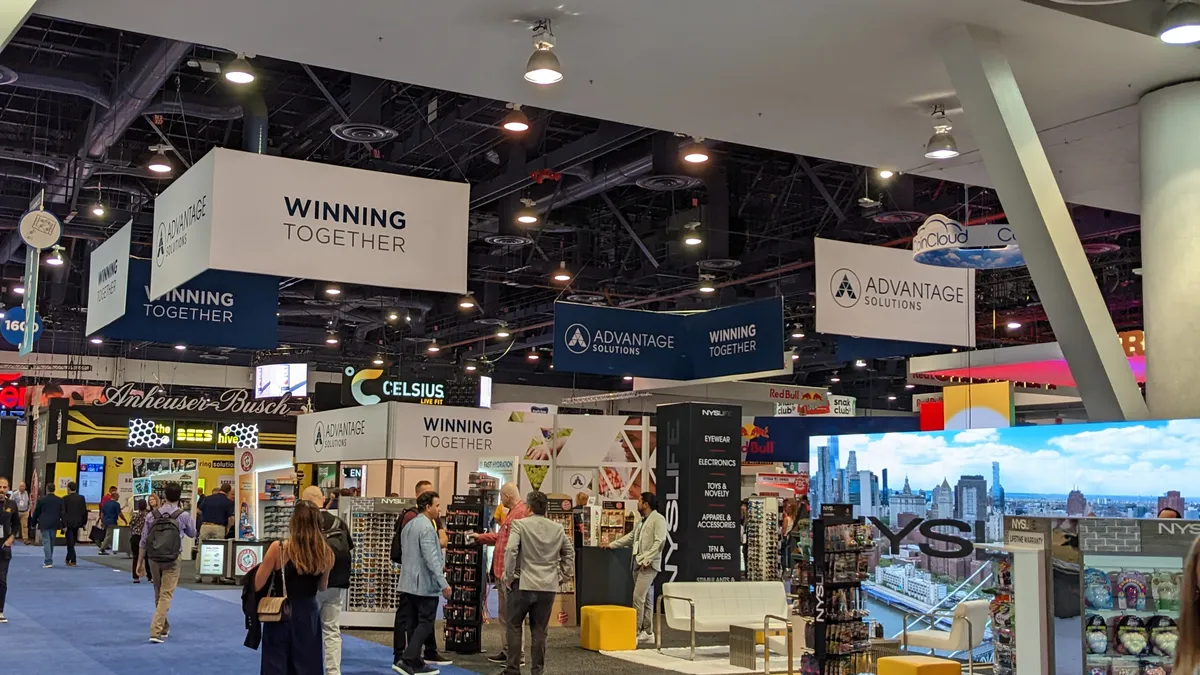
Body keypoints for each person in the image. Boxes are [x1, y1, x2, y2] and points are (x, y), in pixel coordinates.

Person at [255, 501, 334, 675]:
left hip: (281, 611)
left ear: (294, 521)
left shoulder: (279, 548)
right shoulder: (326, 552)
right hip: (308, 613)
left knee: (276, 663)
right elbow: (322, 587)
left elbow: (258, 583)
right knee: (307, 663)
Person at [502, 491, 575, 675]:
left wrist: (509, 575)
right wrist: (563, 576)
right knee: (540, 631)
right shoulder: (557, 528)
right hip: (548, 586)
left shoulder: (520, 525)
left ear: (529, 507)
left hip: (523, 584)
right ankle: (537, 671)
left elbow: (511, 550)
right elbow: (569, 553)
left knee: (514, 626)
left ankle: (513, 670)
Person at [392, 480, 451, 669]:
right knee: (425, 623)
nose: (439, 509)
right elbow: (431, 558)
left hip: (408, 583)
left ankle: (415, 661)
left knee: (413, 623)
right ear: (428, 507)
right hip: (424, 585)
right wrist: (444, 584)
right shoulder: (426, 527)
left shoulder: (409, 525)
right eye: (437, 505)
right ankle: (409, 659)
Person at [472, 483, 529, 665]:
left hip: (510, 575)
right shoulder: (514, 513)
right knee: (505, 616)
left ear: (506, 496)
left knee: (514, 617)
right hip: (503, 573)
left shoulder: (520, 514)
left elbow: (516, 547)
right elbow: (502, 539)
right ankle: (508, 651)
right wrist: (481, 538)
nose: (500, 500)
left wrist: (510, 572)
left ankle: (517, 655)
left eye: (501, 497)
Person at [302, 485, 353, 675]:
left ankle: (308, 669)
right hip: (336, 582)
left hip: (311, 583)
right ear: (322, 499)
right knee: (331, 630)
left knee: (307, 630)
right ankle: (333, 672)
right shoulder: (338, 522)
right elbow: (349, 548)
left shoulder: (305, 523)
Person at [139, 482, 197, 643]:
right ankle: (155, 630)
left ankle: (163, 627)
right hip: (172, 557)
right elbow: (193, 534)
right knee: (166, 594)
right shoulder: (183, 515)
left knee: (158, 592)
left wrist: (139, 562)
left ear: (163, 496)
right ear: (179, 498)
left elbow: (143, 541)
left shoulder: (152, 515)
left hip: (154, 557)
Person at [607, 491, 667, 642]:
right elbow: (631, 537)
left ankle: (635, 631)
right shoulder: (641, 521)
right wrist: (612, 544)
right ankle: (648, 632)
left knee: (637, 597)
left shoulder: (658, 519)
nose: (637, 503)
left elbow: (659, 542)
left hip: (648, 565)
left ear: (646, 504)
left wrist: (647, 560)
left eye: (639, 500)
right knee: (646, 599)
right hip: (637, 562)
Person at [195, 484, 235, 581]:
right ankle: (217, 576)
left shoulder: (208, 498)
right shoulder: (228, 502)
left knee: (201, 550)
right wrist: (228, 528)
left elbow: (197, 510)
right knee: (219, 551)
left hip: (205, 526)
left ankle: (198, 575)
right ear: (228, 491)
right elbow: (231, 518)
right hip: (219, 527)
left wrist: (204, 517)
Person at [31, 482, 63, 568]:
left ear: (47, 489)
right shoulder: (59, 500)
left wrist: (33, 523)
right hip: (55, 522)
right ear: (54, 489)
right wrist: (63, 525)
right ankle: (49, 558)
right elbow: (62, 513)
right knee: (52, 542)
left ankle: (48, 561)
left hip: (44, 522)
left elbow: (36, 512)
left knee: (46, 542)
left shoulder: (41, 500)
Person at [0, 476, 17, 623]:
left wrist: (11, 538)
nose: (1, 489)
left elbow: (16, 524)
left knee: (2, 581)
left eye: (4, 487)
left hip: (4, 547)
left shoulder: (11, 504)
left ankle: (0, 611)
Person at [137, 494, 161, 585]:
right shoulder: (149, 514)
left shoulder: (161, 512)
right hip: (151, 538)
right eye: (150, 500)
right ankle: (151, 575)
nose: (151, 501)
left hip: (160, 538)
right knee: (150, 558)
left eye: (153, 499)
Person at [62, 481, 87, 567]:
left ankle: (73, 559)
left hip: (68, 523)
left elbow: (63, 513)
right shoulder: (81, 498)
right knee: (72, 541)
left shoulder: (65, 498)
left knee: (70, 542)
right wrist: (84, 522)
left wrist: (63, 524)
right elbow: (84, 511)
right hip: (77, 522)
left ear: (68, 489)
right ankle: (68, 558)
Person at [98, 488, 127, 554]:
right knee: (110, 536)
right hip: (112, 522)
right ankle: (102, 549)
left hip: (105, 521)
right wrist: (125, 520)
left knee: (110, 535)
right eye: (118, 497)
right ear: (115, 497)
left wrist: (102, 522)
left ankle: (114, 549)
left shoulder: (106, 504)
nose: (119, 498)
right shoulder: (116, 504)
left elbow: (102, 514)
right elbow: (120, 514)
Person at [128, 499, 149, 583]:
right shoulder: (148, 515)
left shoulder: (135, 515)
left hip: (136, 537)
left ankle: (135, 577)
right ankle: (150, 576)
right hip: (145, 537)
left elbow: (131, 524)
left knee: (136, 557)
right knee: (147, 557)